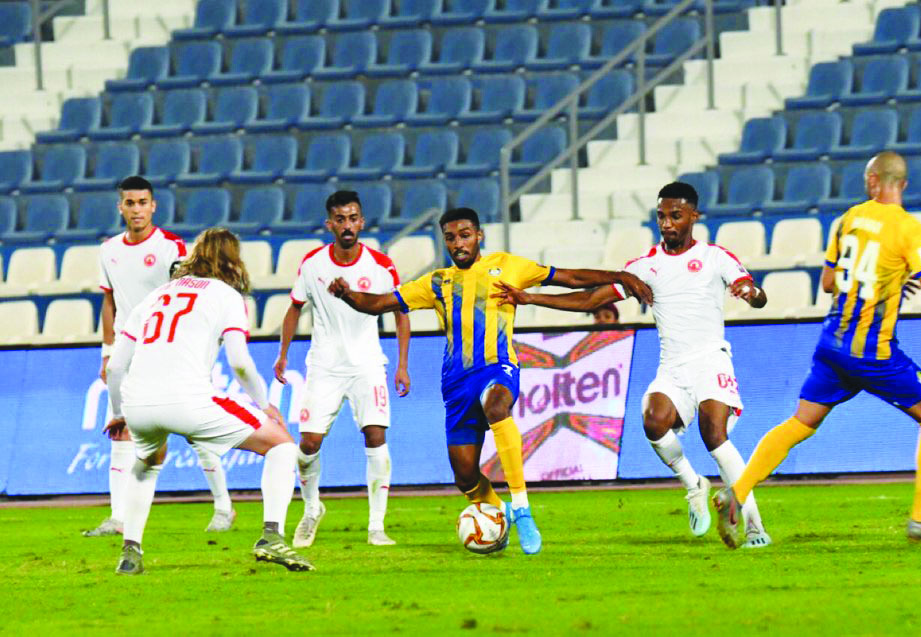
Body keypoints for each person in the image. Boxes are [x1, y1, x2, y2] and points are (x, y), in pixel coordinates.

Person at [712, 151, 921, 548]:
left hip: (831, 343)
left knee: (800, 423)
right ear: (903, 183)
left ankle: (737, 493)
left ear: (872, 180)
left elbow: (829, 283)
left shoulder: (847, 219)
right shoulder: (908, 228)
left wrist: (889, 281)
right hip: (871, 352)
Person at [326, 207, 652, 555]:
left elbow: (568, 278)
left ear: (478, 236)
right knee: (465, 476)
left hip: (498, 367)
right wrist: (347, 295)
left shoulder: (508, 266)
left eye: (464, 235)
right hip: (455, 384)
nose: (458, 243)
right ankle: (500, 514)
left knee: (497, 406)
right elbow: (379, 303)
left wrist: (621, 276)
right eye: (450, 237)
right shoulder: (436, 282)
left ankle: (522, 508)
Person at [493, 181, 773, 547]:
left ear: (694, 216)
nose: (668, 223)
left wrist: (750, 292)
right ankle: (694, 484)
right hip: (672, 368)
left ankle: (754, 526)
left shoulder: (716, 258)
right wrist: (531, 298)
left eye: (676, 215)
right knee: (654, 421)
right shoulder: (645, 268)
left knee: (713, 432)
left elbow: (759, 297)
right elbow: (591, 299)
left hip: (710, 360)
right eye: (662, 216)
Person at [105, 228, 312, 575]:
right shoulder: (226, 295)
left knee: (147, 464)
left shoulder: (155, 296)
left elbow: (115, 367)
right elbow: (240, 362)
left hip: (138, 403)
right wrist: (264, 405)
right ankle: (272, 536)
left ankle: (130, 551)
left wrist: (117, 414)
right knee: (282, 446)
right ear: (233, 260)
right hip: (189, 400)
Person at [86, 176, 234, 538]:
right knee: (120, 430)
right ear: (120, 207)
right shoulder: (108, 250)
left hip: (166, 348)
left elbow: (184, 292)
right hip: (128, 345)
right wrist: (109, 352)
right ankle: (118, 518)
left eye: (142, 202)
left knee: (196, 429)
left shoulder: (170, 246)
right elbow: (109, 302)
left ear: (153, 206)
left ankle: (223, 506)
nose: (136, 209)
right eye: (130, 203)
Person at [273, 190, 411, 548]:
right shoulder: (313, 264)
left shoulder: (380, 265)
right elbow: (294, 307)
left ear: (361, 222)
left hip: (367, 364)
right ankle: (312, 508)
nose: (347, 225)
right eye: (340, 219)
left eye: (353, 218)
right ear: (329, 223)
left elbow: (400, 312)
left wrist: (402, 364)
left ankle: (376, 526)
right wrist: (283, 353)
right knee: (308, 444)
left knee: (376, 436)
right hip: (324, 366)